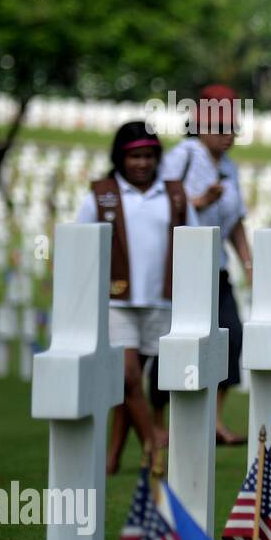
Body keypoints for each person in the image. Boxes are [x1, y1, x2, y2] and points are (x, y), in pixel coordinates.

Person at [76, 121, 197, 474]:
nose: (142, 164)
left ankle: (112, 456)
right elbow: (80, 244)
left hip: (160, 300)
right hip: (117, 300)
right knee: (128, 378)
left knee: (132, 386)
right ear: (120, 158)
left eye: (148, 156)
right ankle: (153, 445)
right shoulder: (101, 195)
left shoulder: (174, 194)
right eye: (134, 157)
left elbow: (191, 241)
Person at [159, 84, 252, 445]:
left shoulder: (230, 167)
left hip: (216, 267)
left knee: (231, 336)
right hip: (182, 268)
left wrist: (248, 261)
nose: (229, 134)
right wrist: (198, 200)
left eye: (233, 127)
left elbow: (236, 219)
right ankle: (164, 422)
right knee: (178, 341)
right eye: (222, 126)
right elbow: (163, 202)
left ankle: (214, 420)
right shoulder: (182, 156)